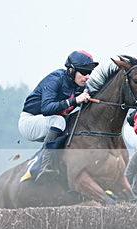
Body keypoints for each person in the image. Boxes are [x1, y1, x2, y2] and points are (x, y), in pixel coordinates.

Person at [18, 50, 98, 181]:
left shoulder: (80, 85)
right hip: (30, 121)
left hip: (49, 122)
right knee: (59, 121)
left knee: (71, 124)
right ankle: (45, 165)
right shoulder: (55, 80)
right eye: (84, 72)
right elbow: (46, 109)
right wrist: (75, 100)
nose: (87, 76)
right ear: (71, 70)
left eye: (90, 72)